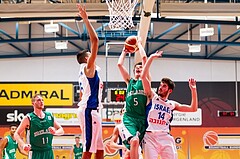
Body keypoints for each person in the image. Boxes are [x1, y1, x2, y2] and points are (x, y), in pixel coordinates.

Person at [140, 51, 198, 159]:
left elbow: (193, 109)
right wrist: (151, 57)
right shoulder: (152, 96)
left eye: (164, 86)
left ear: (169, 90)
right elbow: (143, 77)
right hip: (149, 136)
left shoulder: (172, 104)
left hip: (165, 136)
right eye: (160, 85)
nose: (160, 88)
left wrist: (193, 90)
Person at [76, 4, 104, 159]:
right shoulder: (88, 68)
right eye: (90, 54)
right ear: (87, 58)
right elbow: (95, 40)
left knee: (99, 148)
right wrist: (86, 20)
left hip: (92, 109)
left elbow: (83, 94)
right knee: (88, 149)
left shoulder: (86, 72)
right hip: (89, 111)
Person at [117, 39, 148, 159]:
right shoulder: (130, 82)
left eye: (141, 68)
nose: (139, 69)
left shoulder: (146, 80)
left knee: (138, 146)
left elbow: (145, 59)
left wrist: (139, 44)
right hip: (129, 117)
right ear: (134, 71)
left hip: (141, 119)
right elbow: (119, 65)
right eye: (137, 69)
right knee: (134, 141)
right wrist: (124, 51)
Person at [14, 94, 64, 159]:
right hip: (35, 152)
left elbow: (61, 130)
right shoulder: (28, 118)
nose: (41, 102)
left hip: (48, 151)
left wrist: (55, 132)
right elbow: (16, 134)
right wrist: (23, 145)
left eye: (42, 100)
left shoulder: (49, 116)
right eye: (38, 100)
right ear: (33, 103)